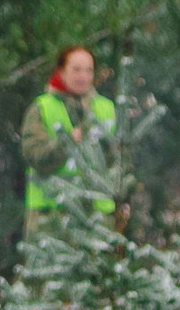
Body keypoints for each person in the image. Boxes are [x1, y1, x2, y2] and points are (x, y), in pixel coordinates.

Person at [21, 45, 120, 217]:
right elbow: (35, 156)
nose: (83, 76)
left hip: (98, 213)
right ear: (61, 71)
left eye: (89, 70)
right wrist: (67, 142)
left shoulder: (106, 108)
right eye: (76, 70)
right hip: (51, 213)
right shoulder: (42, 108)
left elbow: (119, 160)